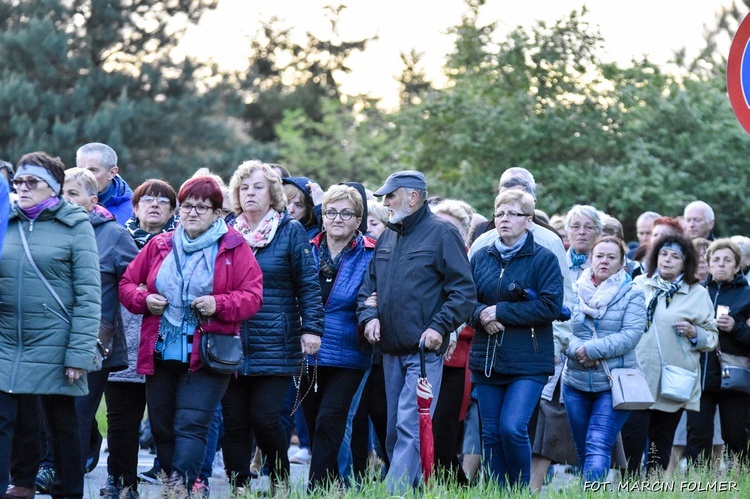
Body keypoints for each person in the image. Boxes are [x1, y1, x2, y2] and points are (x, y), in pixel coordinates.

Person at [119, 176, 264, 497]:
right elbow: (127, 285)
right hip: (161, 350)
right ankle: (175, 480)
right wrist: (145, 301)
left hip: (208, 354)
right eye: (187, 206)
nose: (192, 213)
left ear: (216, 212)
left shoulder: (233, 247)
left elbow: (253, 296)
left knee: (192, 424)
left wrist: (219, 303)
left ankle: (181, 486)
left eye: (202, 207)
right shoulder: (160, 245)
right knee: (162, 427)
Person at [358, 170, 475, 494]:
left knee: (409, 425)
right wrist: (369, 317)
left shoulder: (442, 233)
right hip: (389, 351)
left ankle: (392, 492)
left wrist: (440, 327)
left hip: (424, 353)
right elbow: (368, 289)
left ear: (412, 196)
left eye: (390, 196)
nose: (385, 202)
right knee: (396, 429)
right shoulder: (388, 236)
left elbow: (464, 292)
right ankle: (411, 488)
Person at [0, 152, 101, 499]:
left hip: (55, 339)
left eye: (32, 182)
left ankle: (68, 491)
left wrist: (78, 353)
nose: (22, 188)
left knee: (61, 424)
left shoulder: (76, 225)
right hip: (8, 338)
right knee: (6, 419)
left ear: (54, 188)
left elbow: (89, 296)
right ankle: (18, 483)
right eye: (18, 182)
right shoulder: (5, 220)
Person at [221, 160, 324, 492]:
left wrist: (312, 329)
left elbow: (308, 284)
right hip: (229, 339)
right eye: (244, 188)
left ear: (273, 193)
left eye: (258, 187)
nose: (251, 194)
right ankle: (238, 483)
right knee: (234, 421)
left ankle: (279, 478)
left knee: (265, 418)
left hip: (276, 340)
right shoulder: (225, 230)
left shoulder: (289, 230)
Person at [468, 189, 563, 489]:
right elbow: (464, 301)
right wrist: (482, 314)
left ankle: (522, 490)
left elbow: (550, 306)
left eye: (513, 214)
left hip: (529, 361)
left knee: (512, 427)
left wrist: (501, 312)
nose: (504, 219)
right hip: (487, 358)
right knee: (491, 433)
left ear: (529, 221)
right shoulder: (481, 256)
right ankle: (498, 491)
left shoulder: (544, 258)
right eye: (500, 213)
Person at [103, 179, 178, 494]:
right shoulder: (117, 238)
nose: (155, 204)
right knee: (121, 421)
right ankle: (121, 481)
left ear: (173, 210)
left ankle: (176, 481)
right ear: (134, 207)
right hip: (122, 343)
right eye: (148, 198)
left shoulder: (182, 243)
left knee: (166, 422)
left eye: (163, 200)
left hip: (163, 344)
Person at [621, 234, 718, 476]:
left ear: (686, 263)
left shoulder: (697, 294)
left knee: (660, 444)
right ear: (655, 257)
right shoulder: (638, 285)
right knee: (631, 438)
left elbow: (712, 337)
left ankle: (653, 489)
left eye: (675, 256)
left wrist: (695, 332)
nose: (668, 260)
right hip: (637, 376)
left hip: (673, 380)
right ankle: (630, 488)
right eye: (663, 254)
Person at [301, 185, 376, 489]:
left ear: (358, 219)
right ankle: (335, 487)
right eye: (331, 211)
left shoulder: (372, 252)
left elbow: (373, 295)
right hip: (307, 347)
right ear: (323, 216)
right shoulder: (306, 248)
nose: (337, 219)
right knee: (313, 420)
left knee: (330, 421)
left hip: (349, 351)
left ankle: (316, 488)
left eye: (346, 213)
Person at [562, 236, 646, 482]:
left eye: (612, 257)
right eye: (599, 256)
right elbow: (561, 330)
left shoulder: (632, 293)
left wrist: (590, 350)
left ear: (622, 263)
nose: (604, 261)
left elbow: (630, 336)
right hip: (575, 382)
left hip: (614, 383)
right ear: (590, 259)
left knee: (598, 444)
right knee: (582, 449)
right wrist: (578, 351)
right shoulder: (573, 289)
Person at [686, 239, 750, 464]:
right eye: (716, 260)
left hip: (736, 376)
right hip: (701, 376)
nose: (721, 265)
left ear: (737, 266)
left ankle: (740, 482)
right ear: (708, 264)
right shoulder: (697, 292)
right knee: (697, 435)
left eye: (727, 260)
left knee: (736, 436)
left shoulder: (747, 295)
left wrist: (736, 327)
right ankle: (698, 485)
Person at [430, 199, 475, 484]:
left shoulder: (472, 260)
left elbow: (472, 309)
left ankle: (455, 486)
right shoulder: (422, 256)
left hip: (456, 361)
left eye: (452, 228)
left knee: (442, 429)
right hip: (421, 355)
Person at [76, 143, 133, 225]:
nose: (84, 175)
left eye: (92, 170)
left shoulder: (134, 211)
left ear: (112, 173)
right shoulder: (65, 202)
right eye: (80, 169)